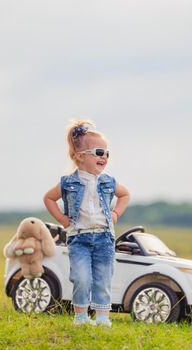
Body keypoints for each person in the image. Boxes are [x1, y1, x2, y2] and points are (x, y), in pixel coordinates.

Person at [43, 119, 130, 327]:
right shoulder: (68, 182)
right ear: (81, 156)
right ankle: (81, 317)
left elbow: (125, 194)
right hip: (78, 238)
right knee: (81, 278)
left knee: (102, 279)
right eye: (100, 153)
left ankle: (102, 318)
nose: (105, 157)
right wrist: (63, 220)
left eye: (107, 153)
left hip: (104, 237)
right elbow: (48, 198)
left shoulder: (109, 181)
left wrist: (116, 213)